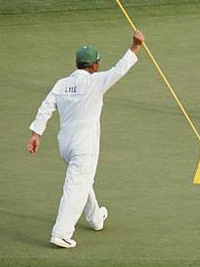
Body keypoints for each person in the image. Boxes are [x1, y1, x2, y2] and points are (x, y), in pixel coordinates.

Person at [27, 31, 145, 248]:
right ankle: (61, 233)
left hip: (65, 145)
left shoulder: (62, 83)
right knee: (76, 186)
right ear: (94, 65)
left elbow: (46, 107)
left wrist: (36, 133)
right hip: (84, 146)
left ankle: (95, 218)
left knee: (82, 180)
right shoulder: (96, 81)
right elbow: (120, 69)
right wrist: (136, 46)